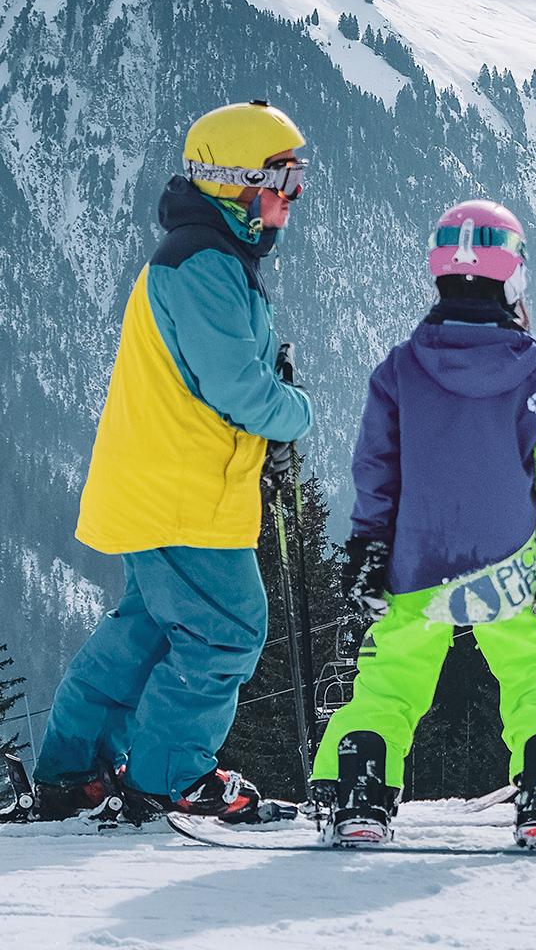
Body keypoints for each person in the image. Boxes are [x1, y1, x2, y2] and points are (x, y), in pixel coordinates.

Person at [6, 102, 312, 825]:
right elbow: (236, 389)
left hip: (159, 486)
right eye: (283, 180)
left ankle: (74, 768)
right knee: (227, 630)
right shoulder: (203, 265)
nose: (291, 198)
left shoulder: (202, 255)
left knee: (145, 630)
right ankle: (172, 777)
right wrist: (295, 408)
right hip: (185, 496)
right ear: (237, 184)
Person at [310, 200, 536, 848]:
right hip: (509, 562)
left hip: (419, 560)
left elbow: (376, 470)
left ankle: (360, 793)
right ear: (514, 280)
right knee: (533, 671)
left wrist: (367, 545)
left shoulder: (400, 372)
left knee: (390, 676)